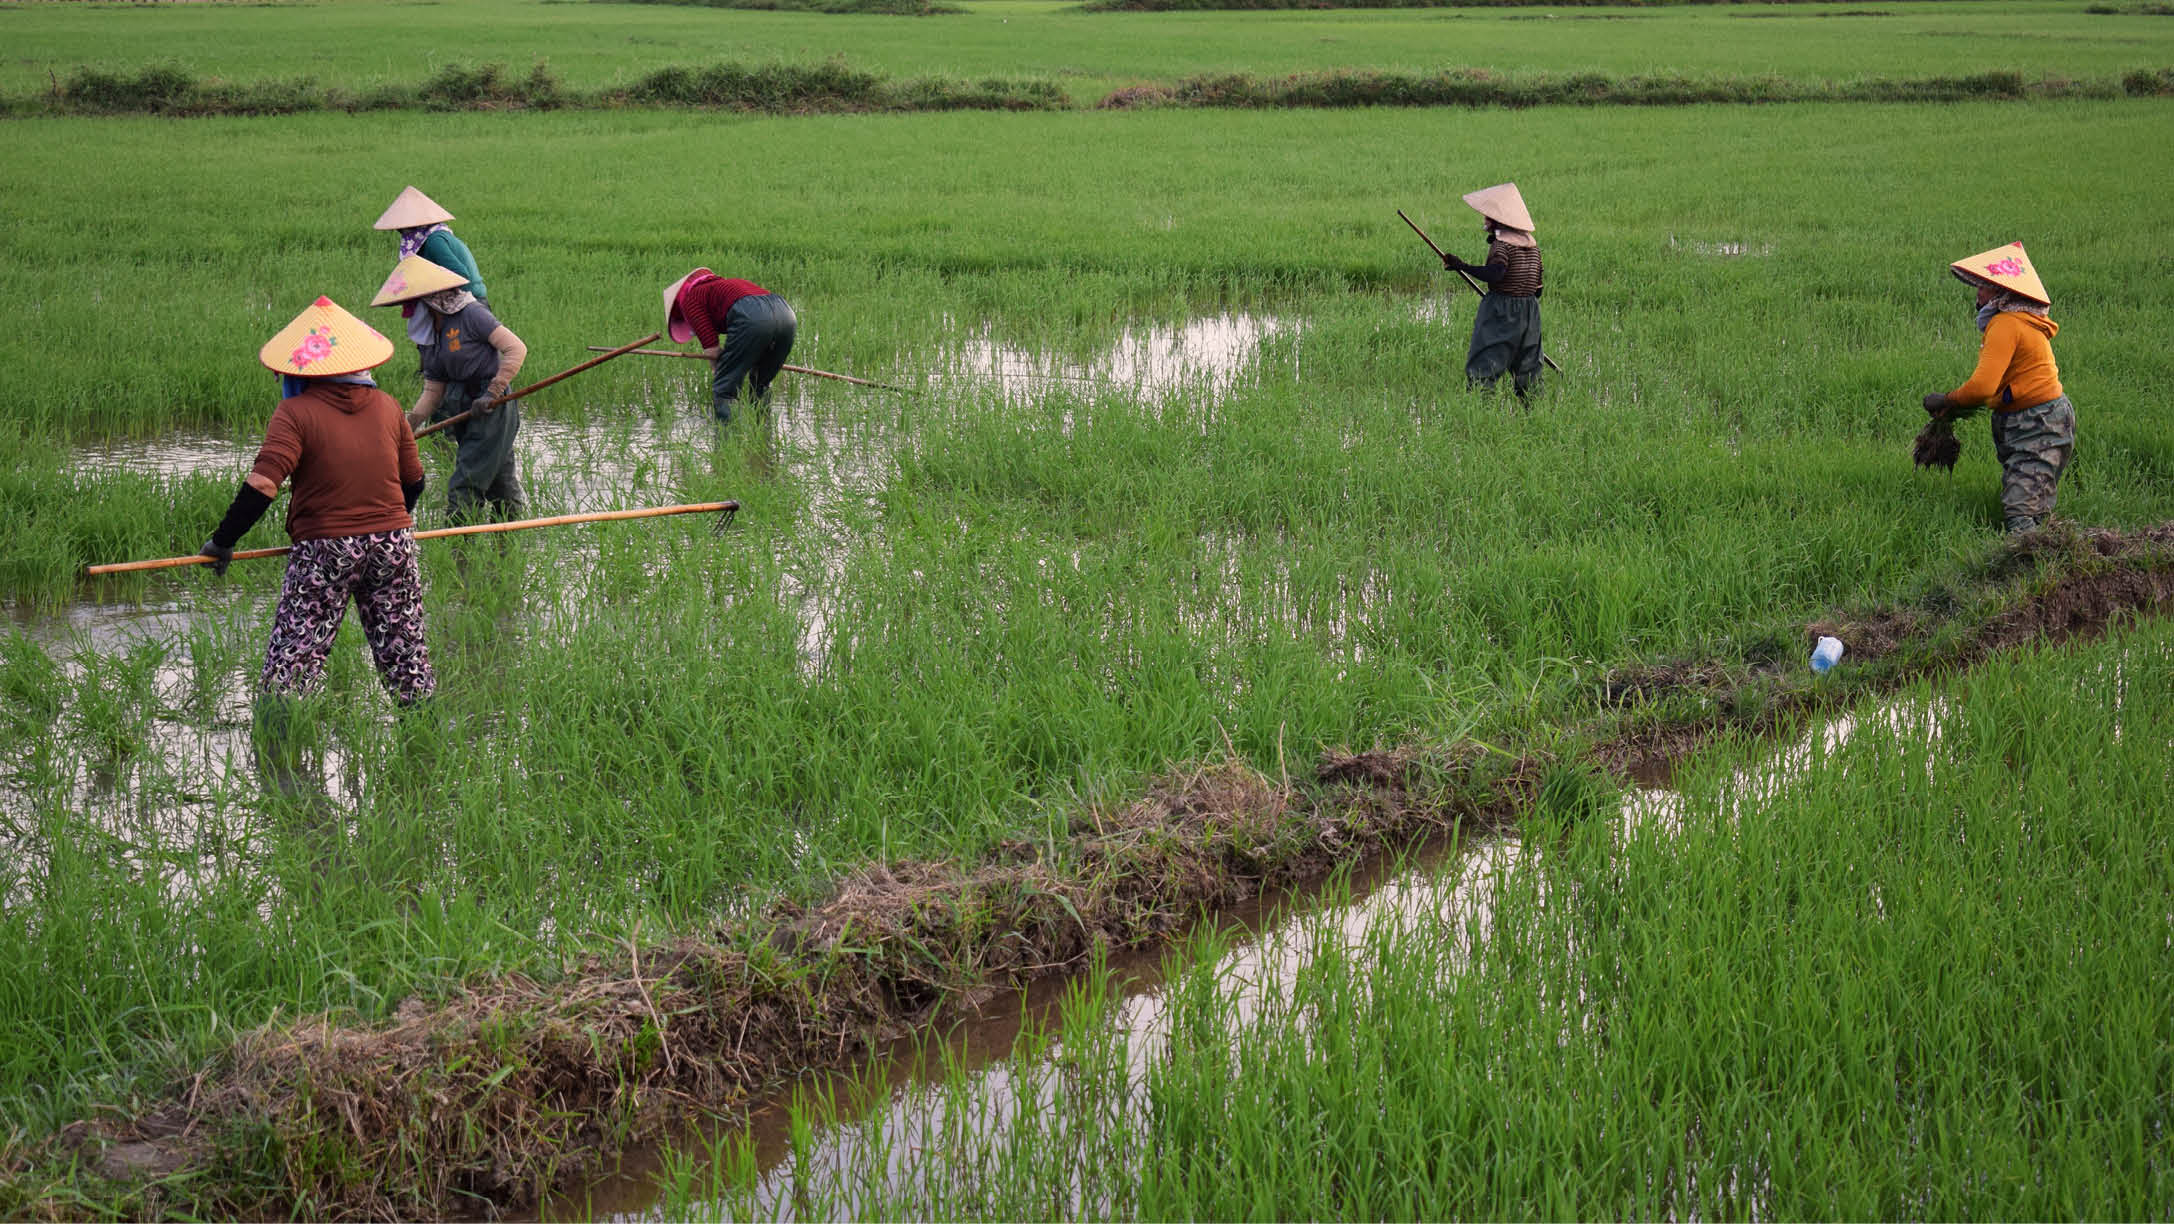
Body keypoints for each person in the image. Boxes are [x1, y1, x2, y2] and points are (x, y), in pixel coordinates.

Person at [198, 296, 435, 708]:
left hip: (325, 549)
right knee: (406, 662)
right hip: (394, 545)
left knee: (293, 666)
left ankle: (278, 751)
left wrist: (223, 541)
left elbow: (262, 485)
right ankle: (426, 746)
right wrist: (386, 528)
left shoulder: (295, 412)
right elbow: (413, 482)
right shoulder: (388, 405)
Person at [1921, 241, 2073, 535]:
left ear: (2004, 294)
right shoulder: (2022, 321)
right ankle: (2048, 560)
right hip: (2045, 417)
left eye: (1986, 287)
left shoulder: (2006, 324)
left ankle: (2028, 571)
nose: (1978, 292)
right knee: (2034, 502)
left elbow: (1982, 386)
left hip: (2036, 421)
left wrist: (1948, 401)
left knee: (2020, 511)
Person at [372, 254, 529, 523]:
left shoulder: (471, 314)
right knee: (500, 483)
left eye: (412, 303)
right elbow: (434, 389)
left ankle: (457, 544)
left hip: (491, 405)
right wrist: (407, 428)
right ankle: (510, 541)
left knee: (465, 482)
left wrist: (492, 392)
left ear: (429, 298)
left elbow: (516, 348)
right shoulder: (429, 331)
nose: (408, 311)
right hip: (461, 405)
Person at [1440, 182, 1544, 400]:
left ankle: (1480, 413)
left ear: (1499, 220)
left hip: (1502, 310)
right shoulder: (1533, 248)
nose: (1485, 220)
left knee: (1484, 362)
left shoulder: (1502, 246)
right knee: (1529, 368)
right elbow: (1537, 291)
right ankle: (1534, 413)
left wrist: (1461, 266)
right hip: (1530, 313)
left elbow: (1495, 274)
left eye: (1488, 216)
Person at [372, 186, 488, 370]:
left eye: (402, 228)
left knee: (465, 354)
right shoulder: (422, 241)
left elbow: (461, 274)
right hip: (451, 300)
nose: (400, 233)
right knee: (434, 338)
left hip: (468, 300)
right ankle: (430, 374)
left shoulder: (434, 241)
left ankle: (438, 378)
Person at [662, 267, 797, 424]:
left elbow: (712, 350)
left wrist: (719, 370)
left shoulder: (690, 299)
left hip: (753, 319)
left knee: (724, 389)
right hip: (786, 315)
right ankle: (763, 433)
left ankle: (728, 439)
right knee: (761, 383)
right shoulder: (725, 286)